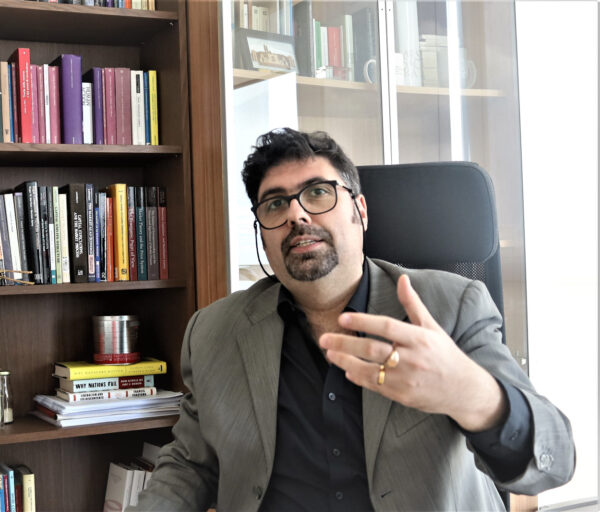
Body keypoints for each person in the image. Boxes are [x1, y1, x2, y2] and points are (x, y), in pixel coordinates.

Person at [132, 128, 575, 511]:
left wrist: (469, 393)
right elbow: (190, 464)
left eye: (317, 193)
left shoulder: (450, 307)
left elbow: (554, 459)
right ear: (262, 235)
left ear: (359, 211)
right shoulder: (214, 332)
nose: (296, 214)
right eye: (275, 204)